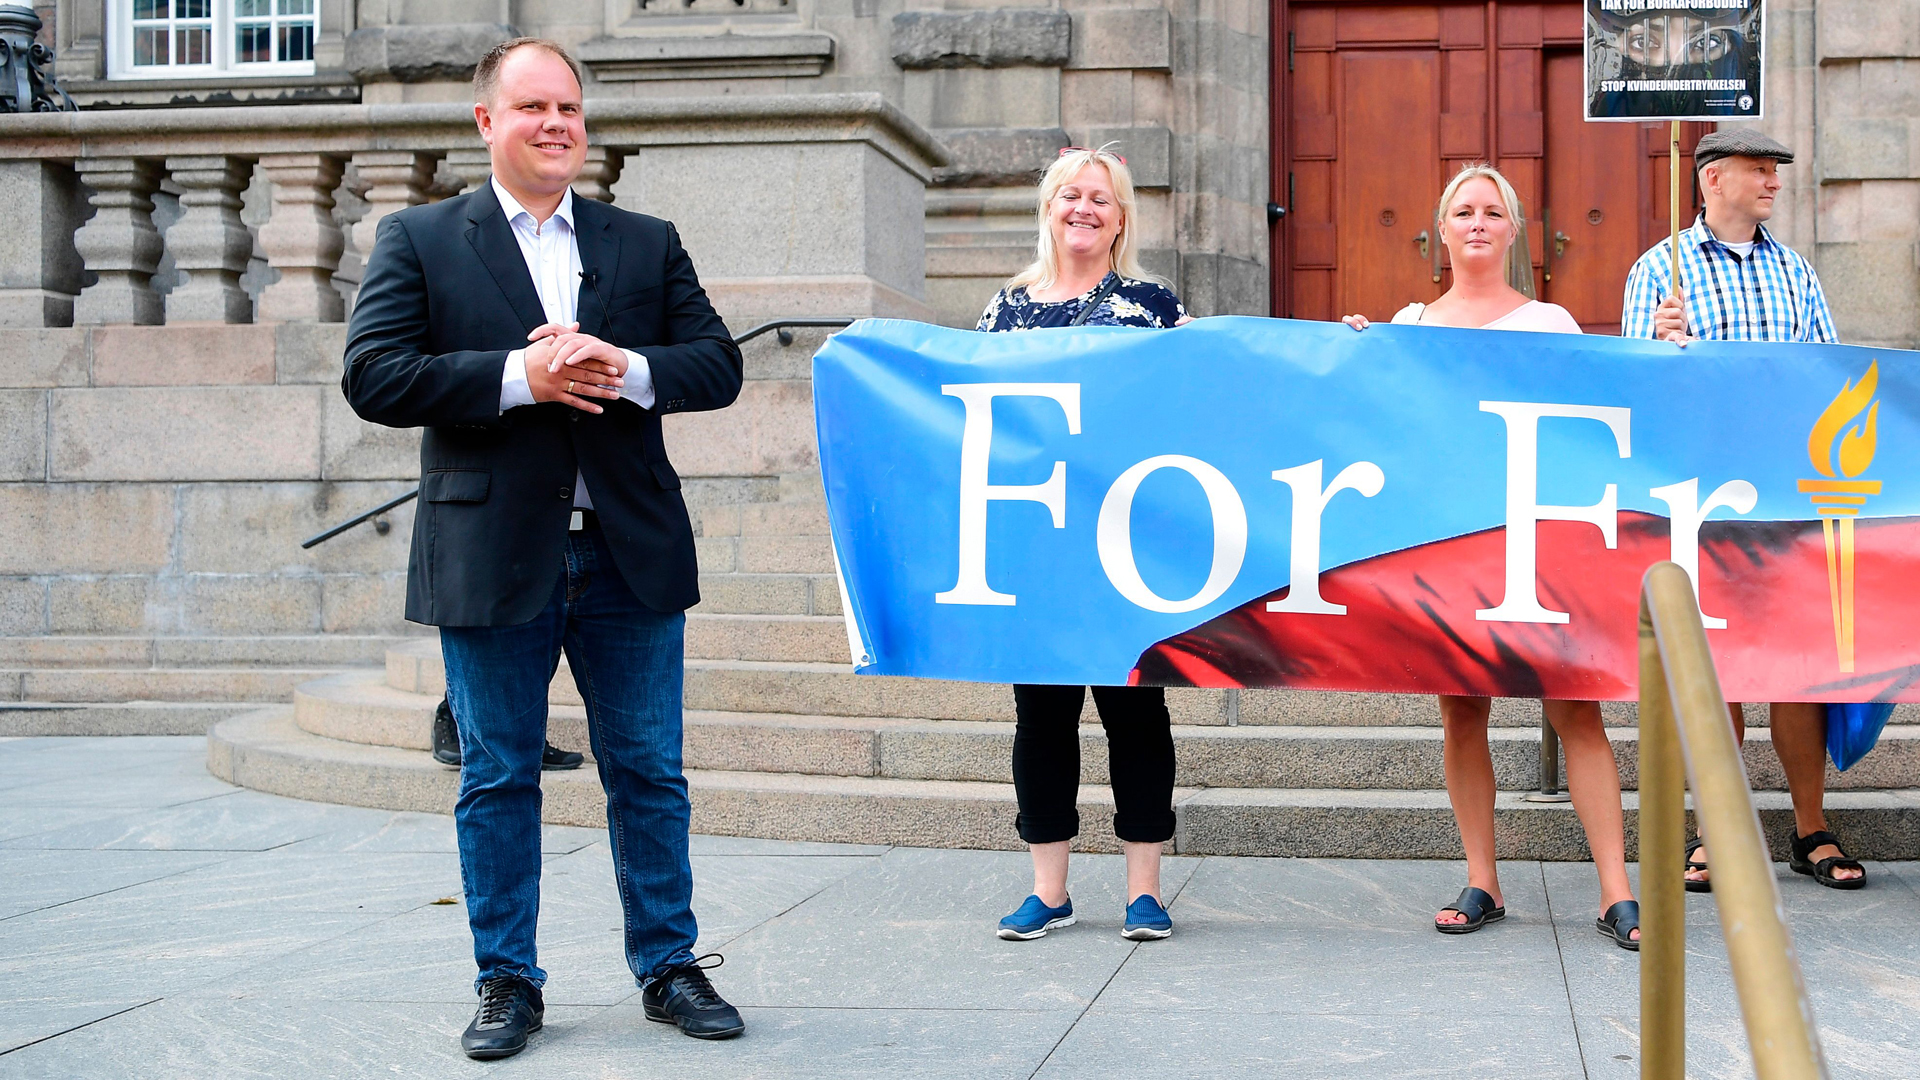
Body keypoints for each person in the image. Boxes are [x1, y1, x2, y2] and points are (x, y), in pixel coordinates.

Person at [344, 38, 748, 1059]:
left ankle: (668, 967)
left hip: (629, 553)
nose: (557, 124)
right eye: (533, 107)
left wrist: (627, 365)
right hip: (492, 550)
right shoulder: (423, 237)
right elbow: (376, 377)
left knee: (650, 772)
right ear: (488, 121)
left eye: (569, 107)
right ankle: (506, 982)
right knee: (497, 777)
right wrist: (521, 380)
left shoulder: (643, 239)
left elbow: (715, 367)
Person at [1344, 163, 1641, 950]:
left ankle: (1616, 889)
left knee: (1576, 708)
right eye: (1462, 211)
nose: (1477, 223)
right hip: (1447, 545)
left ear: (1514, 231)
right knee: (1461, 710)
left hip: (1540, 543)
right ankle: (1483, 878)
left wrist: (1666, 356)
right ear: (1440, 232)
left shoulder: (1551, 323)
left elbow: (1600, 420)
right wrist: (1352, 358)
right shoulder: (1405, 323)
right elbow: (1385, 425)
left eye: (1492, 212)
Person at [1621, 128, 1864, 892]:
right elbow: (1629, 392)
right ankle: (1714, 830)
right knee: (1717, 666)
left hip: (1789, 495)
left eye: (1775, 171)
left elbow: (1828, 377)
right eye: (1760, 170)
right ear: (1711, 180)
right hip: (1701, 500)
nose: (1774, 183)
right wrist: (1655, 345)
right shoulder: (1658, 270)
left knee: (1798, 668)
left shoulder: (1795, 272)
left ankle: (1810, 826)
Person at [977, 145, 1190, 943]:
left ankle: (1144, 892)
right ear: (1049, 209)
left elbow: (1206, 393)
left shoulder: (1153, 305)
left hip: (1128, 545)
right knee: (1042, 715)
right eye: (1070, 195)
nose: (1084, 209)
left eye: (1101, 198)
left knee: (1136, 713)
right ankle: (1049, 889)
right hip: (1038, 546)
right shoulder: (1005, 309)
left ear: (1121, 217)